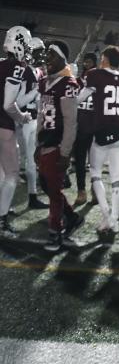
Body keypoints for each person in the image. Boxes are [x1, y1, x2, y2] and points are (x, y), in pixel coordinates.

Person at [78, 45, 119, 233]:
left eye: (102, 58)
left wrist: (66, 103)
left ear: (105, 59)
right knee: (116, 177)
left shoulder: (96, 75)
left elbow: (79, 99)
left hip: (101, 132)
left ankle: (108, 216)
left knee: (96, 173)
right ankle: (114, 220)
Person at [36, 40, 84, 251]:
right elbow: (41, 115)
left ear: (62, 58)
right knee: (47, 185)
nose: (47, 59)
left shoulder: (68, 84)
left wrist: (65, 153)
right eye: (47, 55)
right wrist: (38, 141)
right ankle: (72, 217)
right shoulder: (47, 82)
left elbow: (71, 122)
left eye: (52, 55)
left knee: (54, 192)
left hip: (56, 145)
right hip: (45, 142)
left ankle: (55, 233)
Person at [1, 26, 33, 237]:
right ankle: (2, 219)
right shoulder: (17, 67)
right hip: (4, 127)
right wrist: (23, 117)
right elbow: (8, 105)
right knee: (12, 175)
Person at [16, 35, 48, 210]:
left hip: (33, 119)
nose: (42, 56)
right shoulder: (25, 70)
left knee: (30, 161)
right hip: (23, 120)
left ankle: (33, 196)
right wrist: (35, 92)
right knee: (20, 161)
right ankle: (31, 196)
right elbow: (19, 101)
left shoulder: (37, 71)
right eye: (38, 52)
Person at [72, 52, 98, 206]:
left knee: (95, 163)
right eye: (86, 62)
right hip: (80, 127)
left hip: (94, 127)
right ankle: (81, 191)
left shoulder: (99, 81)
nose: (87, 64)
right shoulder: (76, 81)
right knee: (80, 162)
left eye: (90, 62)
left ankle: (95, 190)